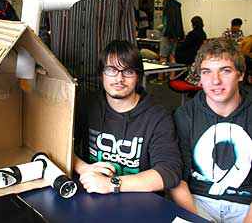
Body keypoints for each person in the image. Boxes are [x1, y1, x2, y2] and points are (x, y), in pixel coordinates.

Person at [74, 40, 181, 194]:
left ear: (138, 76)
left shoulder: (157, 116)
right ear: (101, 74)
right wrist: (84, 168)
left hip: (140, 205)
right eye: (111, 70)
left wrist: (111, 184)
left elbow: (170, 171)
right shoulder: (87, 104)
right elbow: (60, 145)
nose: (119, 79)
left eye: (128, 71)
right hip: (92, 195)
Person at [171, 38, 252, 223]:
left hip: (246, 205)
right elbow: (176, 179)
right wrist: (196, 219)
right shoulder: (184, 115)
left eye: (225, 70)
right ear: (199, 77)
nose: (215, 81)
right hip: (197, 202)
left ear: (240, 74)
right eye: (207, 72)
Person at [159, 0, 184, 64]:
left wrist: (169, 34)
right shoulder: (176, 4)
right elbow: (178, 21)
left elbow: (170, 21)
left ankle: (160, 76)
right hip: (175, 35)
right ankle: (172, 76)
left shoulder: (168, 3)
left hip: (167, 34)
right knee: (172, 56)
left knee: (163, 57)